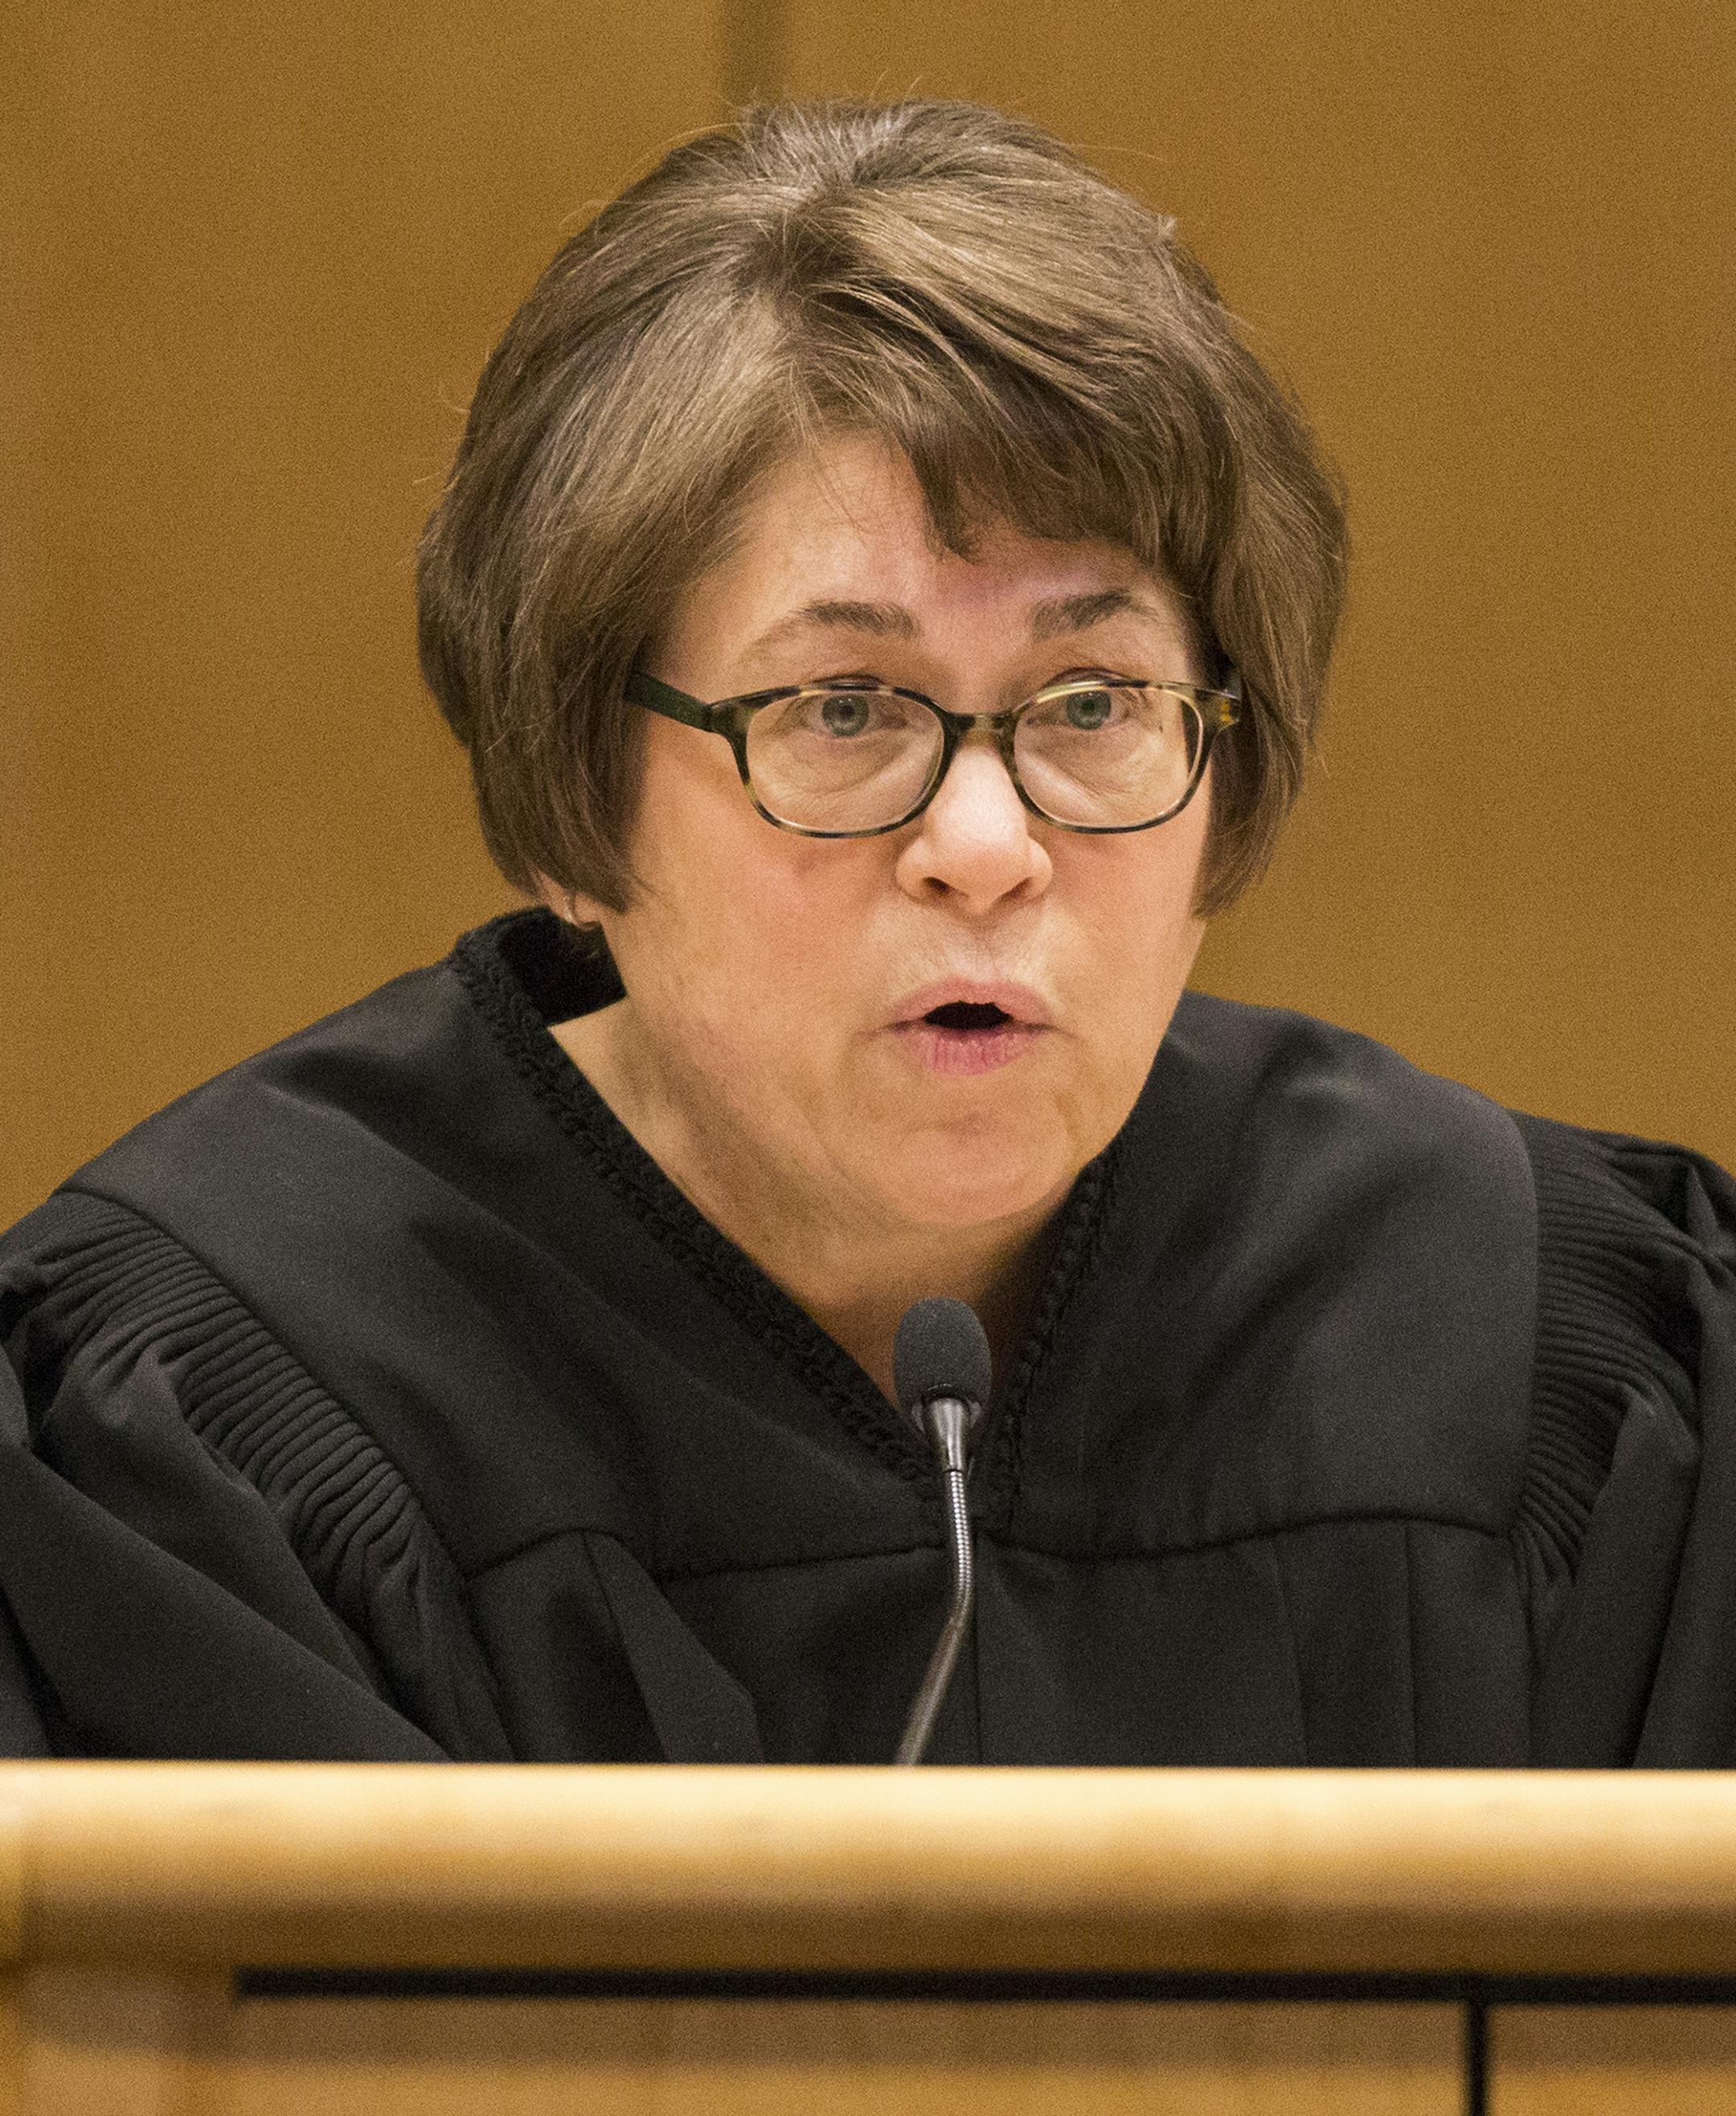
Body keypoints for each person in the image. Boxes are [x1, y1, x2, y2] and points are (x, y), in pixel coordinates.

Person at [2, 99, 1731, 1767]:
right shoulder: (212, 1425)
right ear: (583, 781)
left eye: (1091, 701)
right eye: (842, 707)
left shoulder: (1538, 1359)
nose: (985, 848)